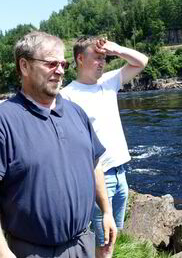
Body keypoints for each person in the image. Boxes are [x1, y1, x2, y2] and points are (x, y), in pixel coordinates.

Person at [0, 31, 117, 258]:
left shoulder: (77, 113)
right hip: (31, 251)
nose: (60, 71)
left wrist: (107, 211)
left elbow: (94, 164)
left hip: (83, 244)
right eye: (51, 63)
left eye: (63, 64)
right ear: (24, 66)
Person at [61, 36, 148, 258]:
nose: (102, 62)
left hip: (120, 172)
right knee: (104, 243)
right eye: (97, 58)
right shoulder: (67, 96)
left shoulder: (109, 82)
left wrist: (116, 50)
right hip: (97, 177)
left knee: (113, 236)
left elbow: (141, 61)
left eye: (104, 58)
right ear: (80, 59)